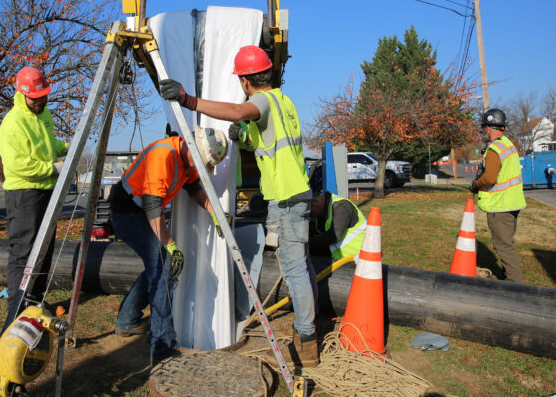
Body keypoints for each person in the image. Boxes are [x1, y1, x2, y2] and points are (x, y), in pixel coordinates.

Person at [159, 45, 319, 367]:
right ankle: (309, 332)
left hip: (287, 200)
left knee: (294, 272)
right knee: (304, 267)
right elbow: (268, 142)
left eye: (241, 83)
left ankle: (307, 340)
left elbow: (237, 111)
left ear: (246, 81)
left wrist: (188, 99)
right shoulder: (284, 102)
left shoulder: (261, 100)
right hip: (297, 193)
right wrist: (245, 139)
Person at [109, 128, 228, 365]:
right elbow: (153, 207)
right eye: (203, 162)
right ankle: (162, 346)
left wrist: (216, 213)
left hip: (141, 211)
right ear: (194, 147)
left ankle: (127, 320)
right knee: (164, 267)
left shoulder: (186, 159)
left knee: (157, 266)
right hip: (128, 213)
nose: (201, 167)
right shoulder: (163, 155)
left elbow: (194, 188)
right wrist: (171, 246)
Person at [0, 66, 68, 306]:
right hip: (24, 193)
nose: (39, 102)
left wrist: (65, 147)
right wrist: (52, 169)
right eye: (34, 99)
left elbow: (48, 144)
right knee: (24, 252)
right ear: (22, 94)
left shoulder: (44, 114)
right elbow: (17, 166)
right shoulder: (12, 124)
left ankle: (35, 301)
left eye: (43, 96)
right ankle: (18, 306)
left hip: (46, 191)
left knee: (44, 250)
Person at [470, 108, 526, 283]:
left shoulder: (495, 149)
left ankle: (514, 284)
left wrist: (475, 184)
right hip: (513, 203)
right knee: (507, 243)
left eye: (484, 128)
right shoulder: (508, 145)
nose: (484, 132)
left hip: (501, 206)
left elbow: (489, 178)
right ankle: (507, 274)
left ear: (488, 127)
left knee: (504, 246)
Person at [310, 191, 367, 260]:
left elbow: (334, 236)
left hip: (357, 258)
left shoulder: (341, 206)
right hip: (342, 258)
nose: (311, 216)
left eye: (311, 212)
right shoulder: (323, 210)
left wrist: (306, 243)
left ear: (315, 201)